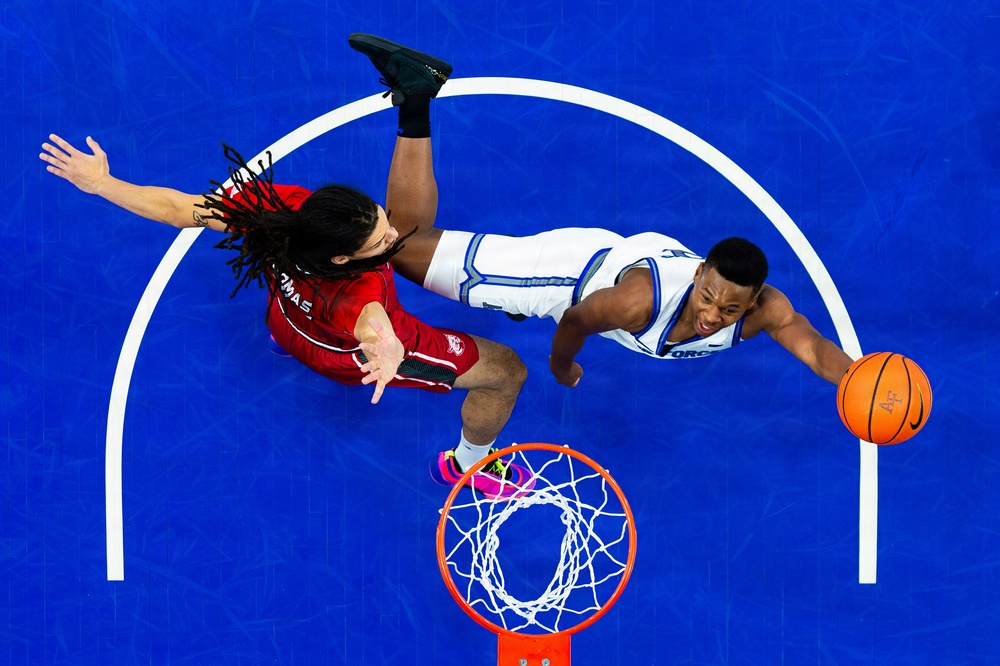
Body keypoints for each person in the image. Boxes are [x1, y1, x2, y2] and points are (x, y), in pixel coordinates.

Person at [39, 34, 534, 500]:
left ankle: (415, 99)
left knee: (403, 235)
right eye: (378, 239)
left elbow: (178, 208)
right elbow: (373, 323)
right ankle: (470, 463)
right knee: (507, 371)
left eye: (379, 221)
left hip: (287, 321)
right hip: (346, 354)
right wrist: (387, 349)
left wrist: (102, 184)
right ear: (343, 259)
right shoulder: (359, 294)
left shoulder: (279, 213)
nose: (390, 236)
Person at [378, 69, 855, 389]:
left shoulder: (765, 310)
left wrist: (858, 381)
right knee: (399, 246)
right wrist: (561, 366)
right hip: (566, 279)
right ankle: (417, 94)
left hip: (615, 259)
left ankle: (511, 276)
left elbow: (814, 349)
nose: (712, 316)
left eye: (730, 309)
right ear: (698, 276)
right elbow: (576, 321)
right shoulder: (635, 303)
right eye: (708, 297)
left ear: (751, 304)